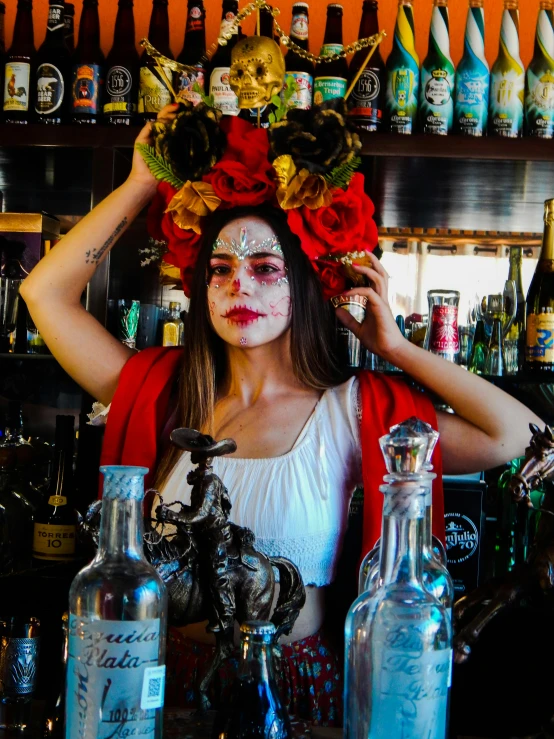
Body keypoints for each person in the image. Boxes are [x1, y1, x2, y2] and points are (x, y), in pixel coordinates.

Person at [21, 102, 543, 726]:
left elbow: (512, 433)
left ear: (305, 283)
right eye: (220, 270)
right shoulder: (162, 389)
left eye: (265, 268)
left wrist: (397, 348)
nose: (239, 286)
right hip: (158, 688)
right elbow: (42, 292)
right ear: (199, 289)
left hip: (295, 690)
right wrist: (141, 181)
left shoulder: (355, 411)